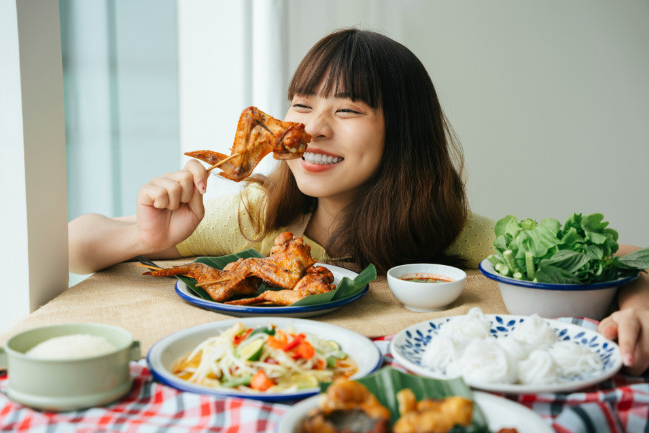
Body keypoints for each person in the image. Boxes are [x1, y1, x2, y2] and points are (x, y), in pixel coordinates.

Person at [68, 29, 649, 375]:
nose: (313, 129)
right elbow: (75, 241)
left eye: (347, 111)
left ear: (402, 133)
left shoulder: (445, 231)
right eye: (301, 104)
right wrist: (150, 238)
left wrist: (640, 308)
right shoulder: (255, 216)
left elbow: (623, 256)